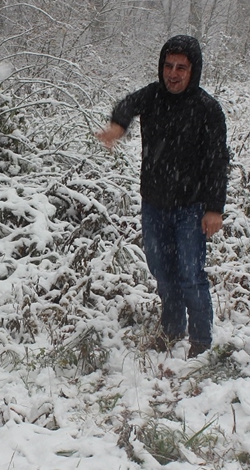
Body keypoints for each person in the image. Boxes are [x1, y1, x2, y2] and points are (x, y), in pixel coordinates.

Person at [95, 34, 229, 357]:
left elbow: (217, 162)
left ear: (193, 71)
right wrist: (118, 125)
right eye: (168, 65)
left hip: (192, 208)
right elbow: (127, 104)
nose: (173, 73)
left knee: (190, 274)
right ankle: (172, 329)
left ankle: (201, 341)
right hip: (154, 203)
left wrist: (214, 209)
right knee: (161, 270)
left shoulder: (208, 109)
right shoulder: (153, 96)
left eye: (181, 67)